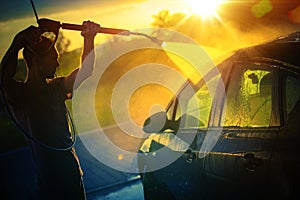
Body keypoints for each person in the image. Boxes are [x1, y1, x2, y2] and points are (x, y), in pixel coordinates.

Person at [0, 20, 100, 199]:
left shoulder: (57, 87)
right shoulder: (19, 95)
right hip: (49, 187)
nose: (57, 64)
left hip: (73, 178)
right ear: (36, 60)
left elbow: (86, 70)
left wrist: (89, 37)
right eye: (54, 59)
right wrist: (18, 41)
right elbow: (3, 78)